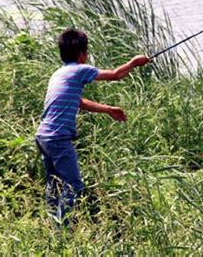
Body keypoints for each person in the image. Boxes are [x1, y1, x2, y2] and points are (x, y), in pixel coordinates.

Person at [35, 28, 149, 225]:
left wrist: (108, 109)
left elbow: (79, 101)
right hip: (59, 137)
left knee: (53, 183)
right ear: (82, 55)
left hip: (43, 136)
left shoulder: (59, 73)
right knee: (74, 185)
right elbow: (115, 75)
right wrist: (134, 63)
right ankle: (61, 230)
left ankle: (51, 221)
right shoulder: (81, 70)